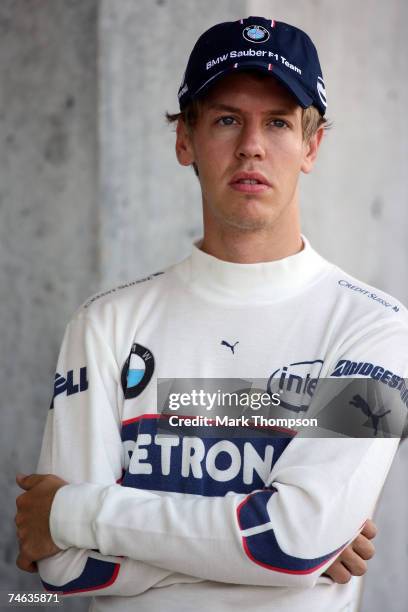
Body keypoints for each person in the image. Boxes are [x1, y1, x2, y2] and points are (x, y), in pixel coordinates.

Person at [15, 16, 408, 612]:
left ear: (311, 145)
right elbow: (65, 567)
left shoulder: (378, 329)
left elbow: (294, 544)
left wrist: (70, 512)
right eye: (226, 119)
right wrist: (268, 545)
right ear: (185, 140)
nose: (252, 144)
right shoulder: (104, 326)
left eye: (278, 122)